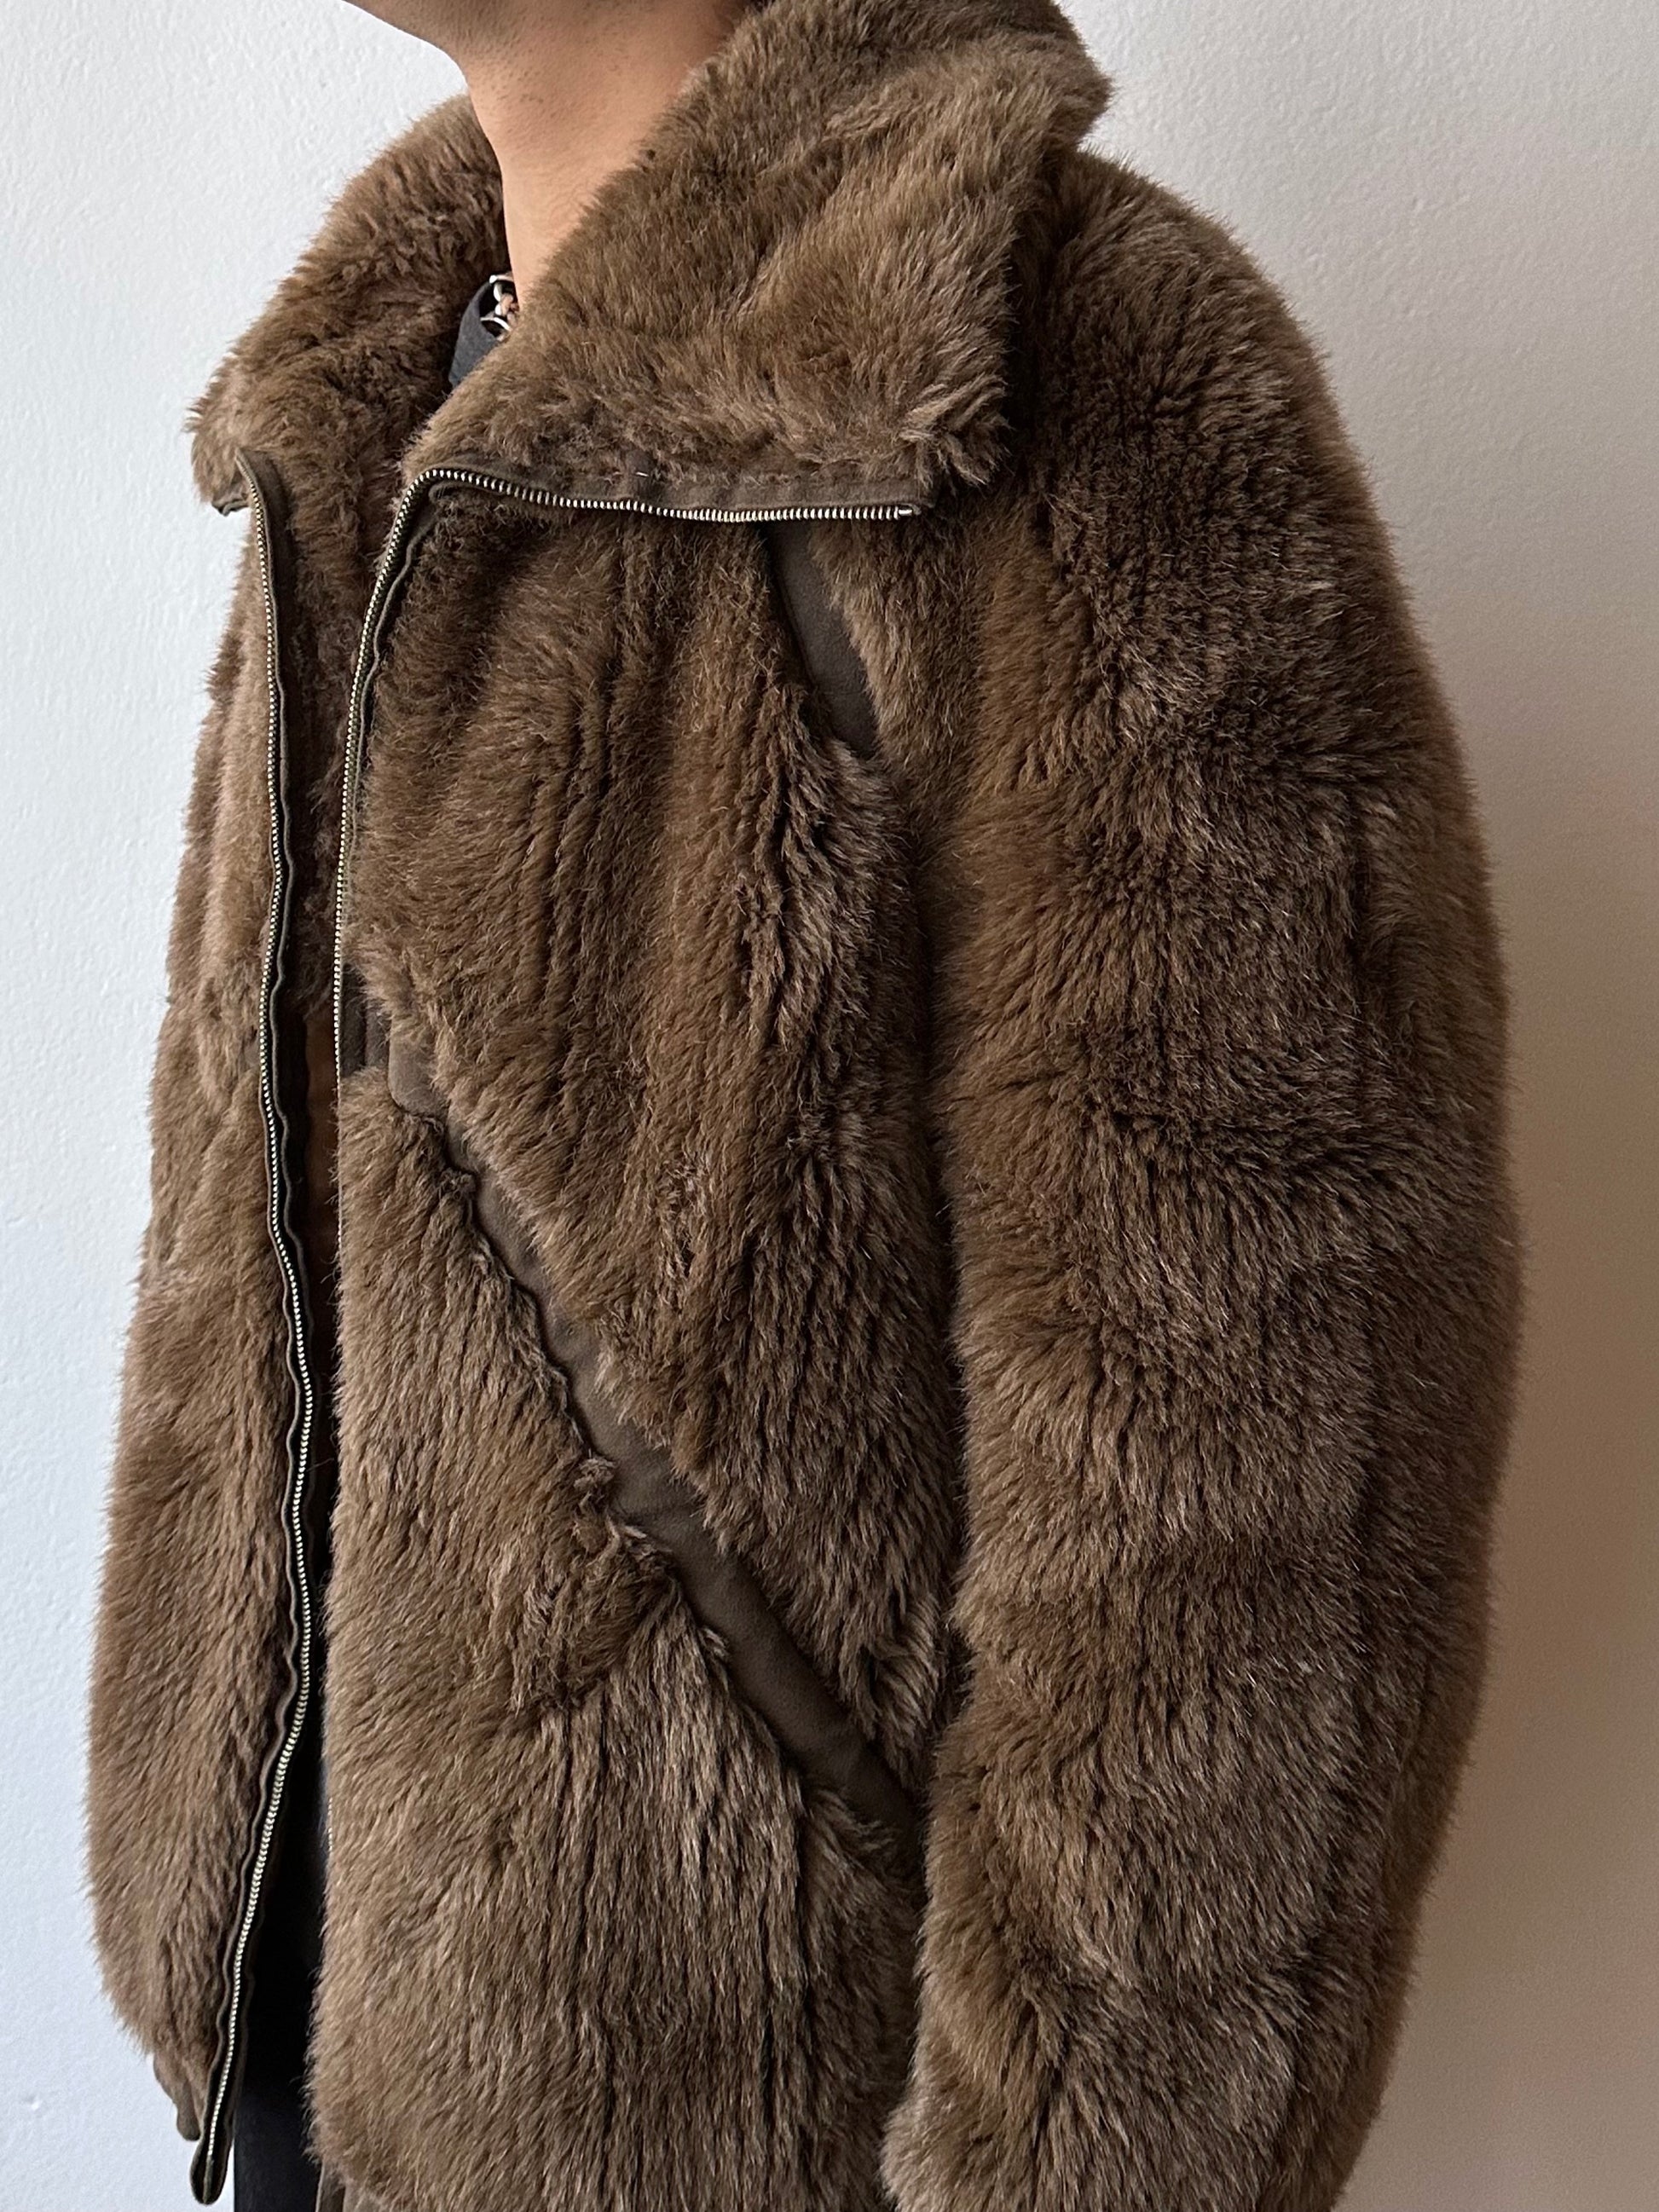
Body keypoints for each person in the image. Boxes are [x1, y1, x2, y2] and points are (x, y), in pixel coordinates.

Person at [84, 0, 1524, 2208]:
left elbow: (1252, 1481)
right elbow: (243, 1235)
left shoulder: (1059, 365)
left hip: (756, 2114)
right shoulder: (360, 406)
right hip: (294, 2034)